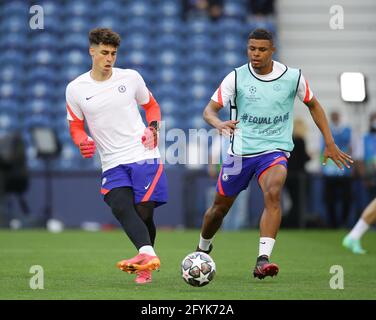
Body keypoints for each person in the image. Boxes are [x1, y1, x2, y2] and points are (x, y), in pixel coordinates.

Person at [195, 28, 353, 280]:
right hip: (239, 153)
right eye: (251, 49)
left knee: (274, 191)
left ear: (272, 50)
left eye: (261, 49)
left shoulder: (292, 77)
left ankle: (262, 259)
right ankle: (202, 249)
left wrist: (330, 142)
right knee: (218, 210)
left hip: (274, 150)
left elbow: (314, 105)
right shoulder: (235, 78)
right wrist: (218, 123)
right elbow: (209, 111)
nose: (255, 54)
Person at [65, 28, 168, 284]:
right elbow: (76, 126)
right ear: (92, 51)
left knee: (143, 212)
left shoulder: (131, 78)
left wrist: (153, 128)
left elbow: (152, 106)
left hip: (142, 153)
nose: (109, 58)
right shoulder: (76, 88)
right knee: (119, 205)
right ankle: (148, 256)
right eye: (104, 53)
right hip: (111, 161)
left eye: (113, 53)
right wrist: (83, 140)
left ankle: (145, 262)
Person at [321, 111, 353, 228]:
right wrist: (322, 166)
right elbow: (321, 149)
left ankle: (343, 222)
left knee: (346, 198)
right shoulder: (326, 130)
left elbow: (350, 147)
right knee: (330, 199)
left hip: (344, 170)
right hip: (330, 170)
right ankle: (333, 223)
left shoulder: (346, 130)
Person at [283, 118, 311, 228]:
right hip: (299, 177)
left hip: (288, 176)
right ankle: (296, 223)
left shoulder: (289, 140)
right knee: (298, 202)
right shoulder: (301, 140)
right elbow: (303, 158)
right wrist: (310, 156)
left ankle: (291, 222)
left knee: (292, 201)